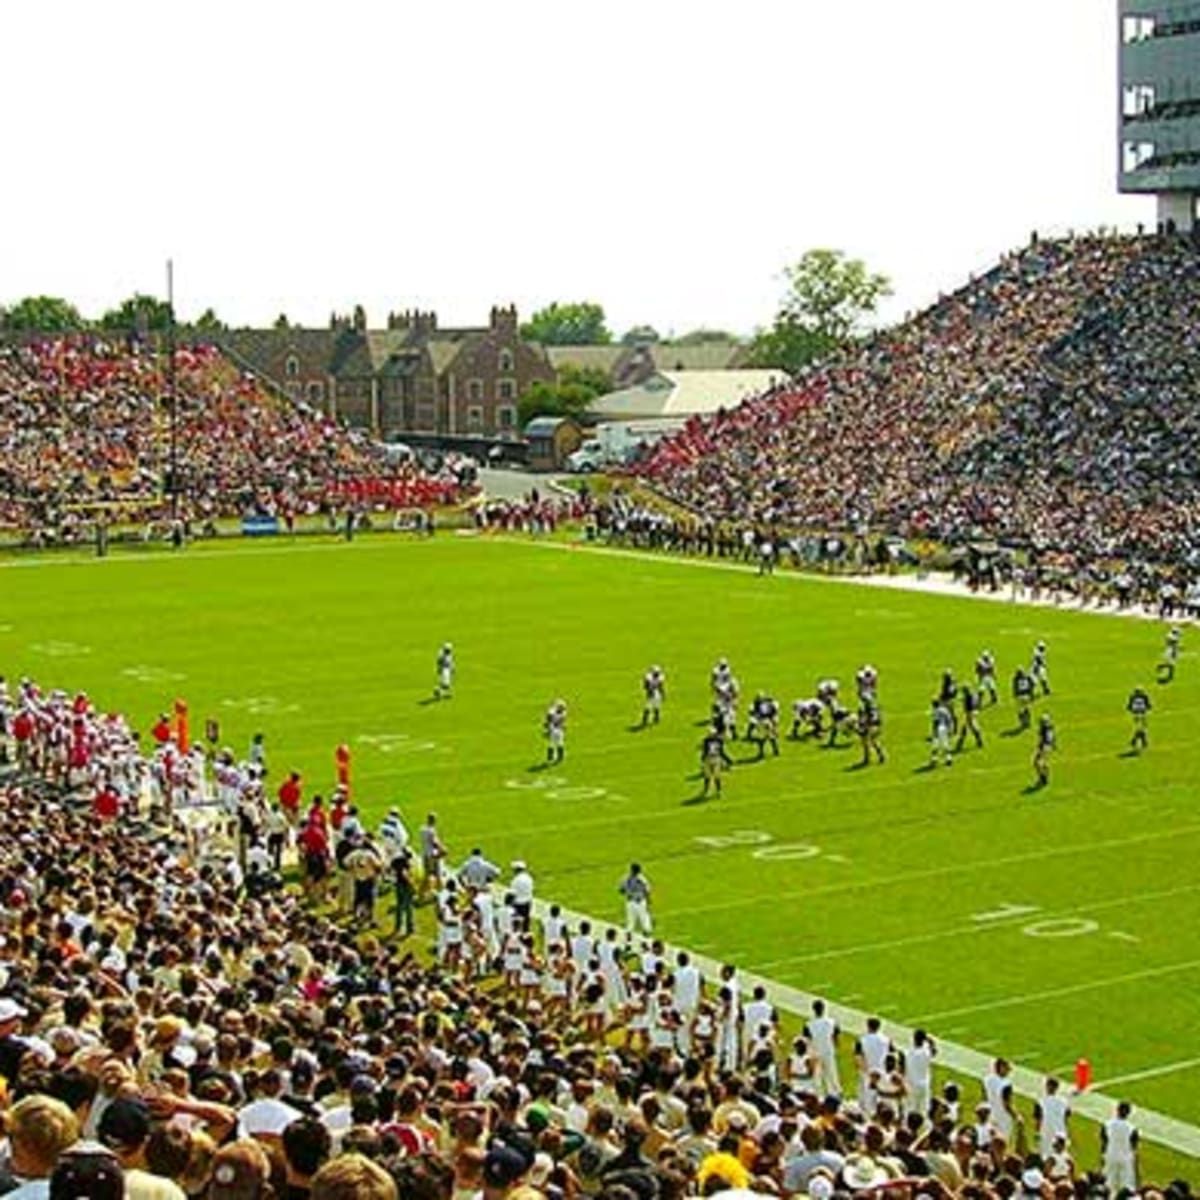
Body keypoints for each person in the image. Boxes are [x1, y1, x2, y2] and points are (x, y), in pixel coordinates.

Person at [1101, 1100, 1139, 1195]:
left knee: (1108, 1183)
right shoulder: (1132, 1128)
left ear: (1117, 1110)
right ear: (1128, 1113)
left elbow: (1104, 1142)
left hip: (1110, 1156)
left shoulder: (1107, 1125)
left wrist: (1103, 1156)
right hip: (1125, 1158)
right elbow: (1134, 1147)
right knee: (1126, 1186)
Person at [619, 862, 653, 934]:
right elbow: (647, 891)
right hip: (640, 901)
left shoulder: (625, 878)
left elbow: (621, 890)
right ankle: (646, 933)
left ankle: (628, 937)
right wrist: (648, 901)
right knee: (644, 918)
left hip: (630, 901)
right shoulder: (642, 879)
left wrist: (628, 892)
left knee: (630, 922)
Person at [700, 724, 730, 798]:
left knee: (716, 776)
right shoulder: (707, 741)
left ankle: (718, 791)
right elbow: (705, 751)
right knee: (707, 776)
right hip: (709, 758)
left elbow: (721, 751)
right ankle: (707, 790)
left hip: (715, 758)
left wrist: (727, 760)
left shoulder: (715, 740)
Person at [747, 692, 780, 759]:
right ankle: (775, 750)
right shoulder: (769, 703)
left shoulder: (757, 704)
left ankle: (762, 752)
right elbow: (773, 713)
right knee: (771, 736)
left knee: (763, 738)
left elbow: (754, 713)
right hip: (768, 720)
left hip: (763, 721)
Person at [956, 683, 983, 751]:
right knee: (971, 727)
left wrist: (967, 713)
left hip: (969, 713)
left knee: (969, 727)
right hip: (973, 712)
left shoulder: (968, 697)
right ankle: (978, 741)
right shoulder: (973, 694)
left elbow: (967, 706)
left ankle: (960, 744)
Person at [929, 697, 954, 767]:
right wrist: (950, 729)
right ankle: (949, 759)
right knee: (945, 744)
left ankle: (934, 759)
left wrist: (934, 732)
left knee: (935, 745)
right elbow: (949, 719)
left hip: (939, 728)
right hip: (945, 727)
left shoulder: (935, 711)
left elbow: (936, 722)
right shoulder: (945, 710)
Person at [1033, 712, 1055, 787]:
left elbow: (1044, 739)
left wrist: (1040, 747)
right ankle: (1044, 778)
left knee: (1037, 762)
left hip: (1044, 747)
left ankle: (1043, 778)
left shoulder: (1045, 728)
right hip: (1047, 746)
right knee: (1043, 762)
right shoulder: (1050, 727)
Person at [1127, 686, 1151, 752]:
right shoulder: (1141, 697)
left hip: (1139, 714)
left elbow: (1129, 706)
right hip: (1139, 714)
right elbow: (1148, 705)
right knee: (1140, 728)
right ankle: (1139, 741)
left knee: (1140, 728)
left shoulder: (1135, 697)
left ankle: (1137, 741)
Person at [1013, 667, 1035, 731]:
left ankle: (1023, 722)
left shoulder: (1016, 679)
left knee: (1020, 710)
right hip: (1027, 696)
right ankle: (1028, 722)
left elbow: (1015, 688)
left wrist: (1015, 695)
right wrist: (1031, 695)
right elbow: (1032, 685)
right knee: (1027, 709)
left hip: (1020, 696)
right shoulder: (1027, 678)